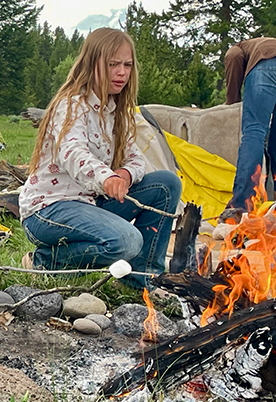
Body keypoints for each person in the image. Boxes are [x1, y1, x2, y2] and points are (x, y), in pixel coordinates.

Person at [19, 28, 181, 289]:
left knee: (166, 184)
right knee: (126, 241)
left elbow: (137, 158)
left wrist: (126, 175)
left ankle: (142, 281)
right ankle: (44, 261)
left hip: (91, 204)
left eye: (127, 65)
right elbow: (73, 152)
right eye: (113, 64)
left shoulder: (115, 110)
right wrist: (107, 178)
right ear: (92, 64)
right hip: (50, 208)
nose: (122, 72)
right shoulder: (71, 104)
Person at [222, 37, 276, 217]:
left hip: (266, 66)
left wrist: (232, 100)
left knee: (254, 132)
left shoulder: (240, 47)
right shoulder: (268, 42)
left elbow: (233, 57)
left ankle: (240, 207)